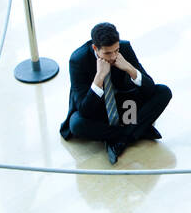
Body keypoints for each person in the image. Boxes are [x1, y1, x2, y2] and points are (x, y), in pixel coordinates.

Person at [59, 22, 172, 164]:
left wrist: (130, 69)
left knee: (164, 92)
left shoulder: (124, 48)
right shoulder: (78, 60)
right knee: (76, 124)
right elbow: (85, 110)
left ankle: (119, 138)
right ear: (95, 48)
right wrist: (99, 78)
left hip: (125, 107)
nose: (113, 56)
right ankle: (136, 131)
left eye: (116, 50)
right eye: (107, 53)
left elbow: (150, 89)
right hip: (97, 111)